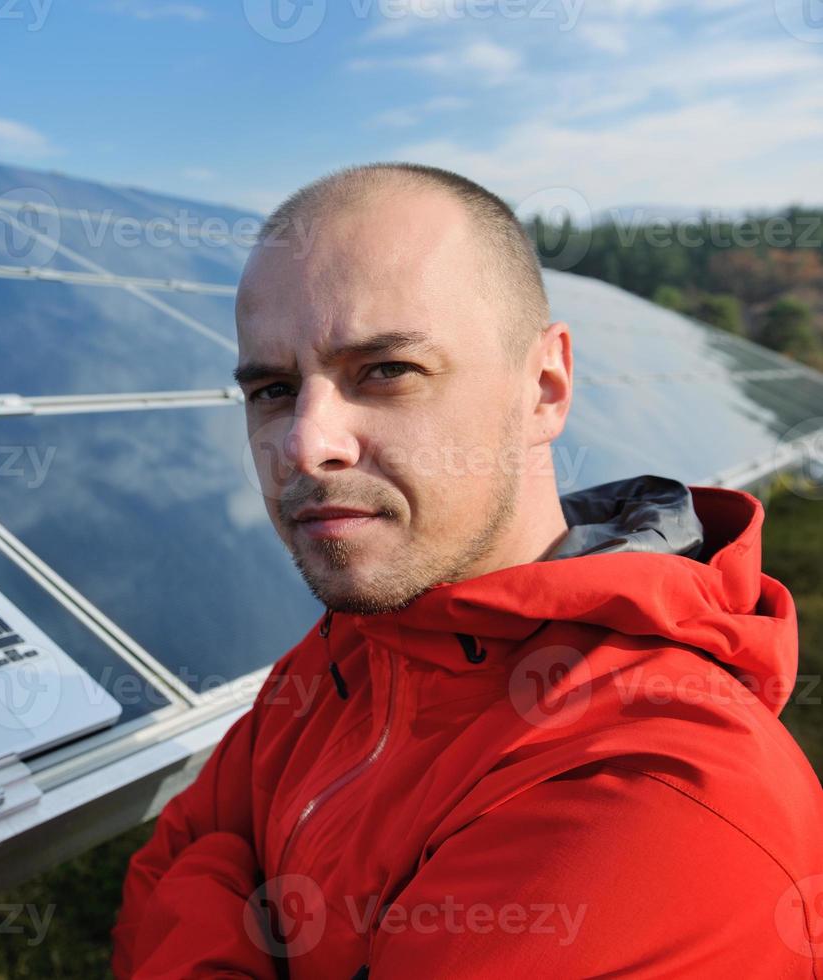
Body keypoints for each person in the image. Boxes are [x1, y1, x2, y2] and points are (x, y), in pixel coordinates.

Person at [110, 162, 823, 978]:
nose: (307, 445)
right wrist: (213, 877)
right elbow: (171, 852)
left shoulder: (656, 801)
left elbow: (184, 869)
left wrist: (217, 884)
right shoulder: (359, 644)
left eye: (385, 371)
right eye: (273, 389)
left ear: (545, 387)